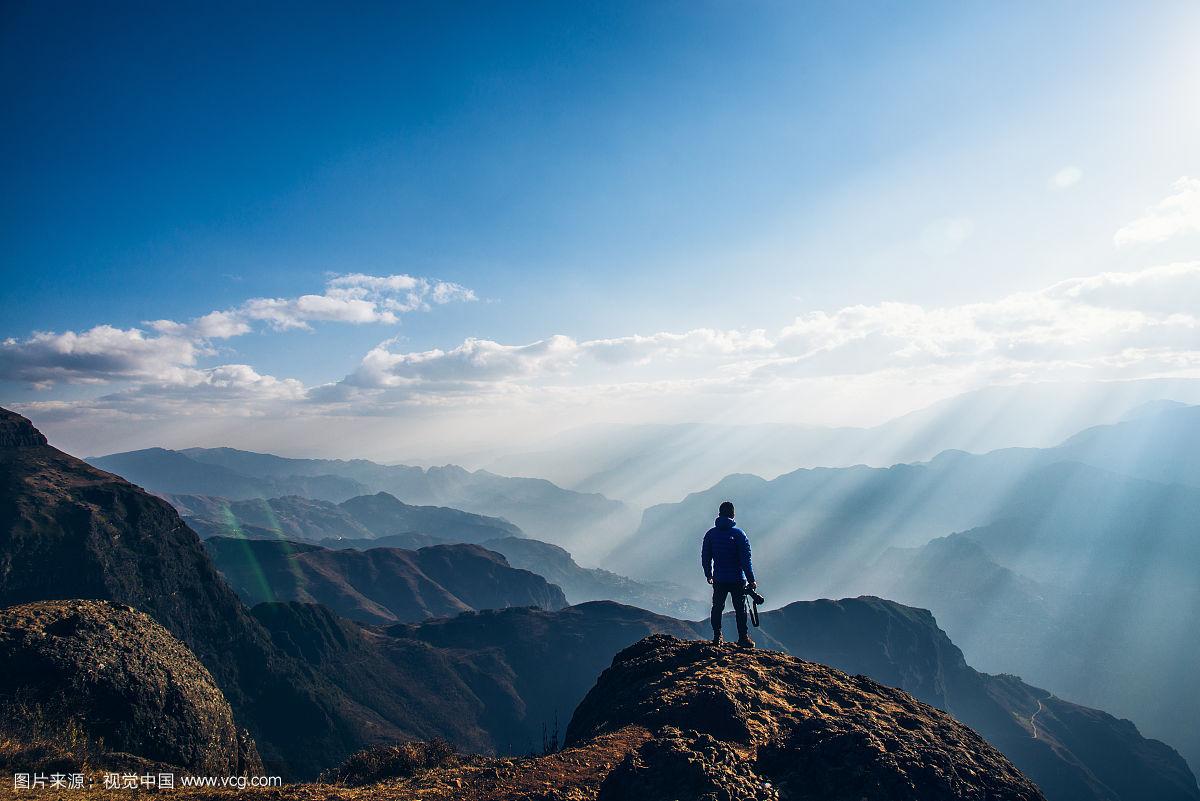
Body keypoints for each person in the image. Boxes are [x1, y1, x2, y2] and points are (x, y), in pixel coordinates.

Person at [701, 500, 756, 648]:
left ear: (719, 514)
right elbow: (746, 559)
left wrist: (708, 574)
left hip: (719, 578)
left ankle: (717, 636)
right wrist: (751, 579)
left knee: (717, 607)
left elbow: (706, 556)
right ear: (733, 515)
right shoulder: (739, 534)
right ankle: (743, 638)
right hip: (737, 578)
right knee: (740, 609)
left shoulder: (710, 534)